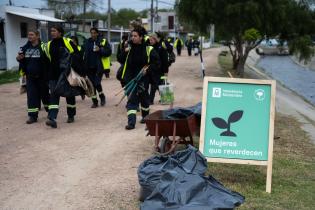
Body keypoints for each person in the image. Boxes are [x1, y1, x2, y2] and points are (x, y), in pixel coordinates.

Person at [120, 26, 160, 130]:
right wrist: (124, 50)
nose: (133, 38)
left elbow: (156, 63)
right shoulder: (129, 48)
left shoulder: (148, 49)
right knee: (131, 101)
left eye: (135, 36)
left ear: (141, 37)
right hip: (131, 79)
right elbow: (120, 59)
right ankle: (131, 123)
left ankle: (146, 119)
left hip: (143, 79)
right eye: (132, 36)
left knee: (144, 100)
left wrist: (148, 69)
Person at [45, 25, 82, 128]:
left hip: (66, 74)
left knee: (69, 95)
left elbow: (77, 55)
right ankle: (52, 118)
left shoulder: (67, 42)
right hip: (53, 74)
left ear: (60, 32)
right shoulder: (48, 45)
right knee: (54, 95)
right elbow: (48, 60)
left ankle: (71, 115)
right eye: (51, 31)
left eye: (54, 30)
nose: (52, 32)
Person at [16, 30, 50, 124]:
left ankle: (50, 112)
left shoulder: (43, 47)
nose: (29, 36)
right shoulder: (25, 48)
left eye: (32, 34)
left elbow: (48, 61)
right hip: (30, 77)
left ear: (37, 36)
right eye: (28, 35)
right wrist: (18, 59)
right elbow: (20, 59)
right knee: (31, 96)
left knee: (45, 95)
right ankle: (32, 116)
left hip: (42, 77)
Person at [83, 27, 112, 108]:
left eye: (94, 33)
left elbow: (109, 52)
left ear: (97, 33)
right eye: (91, 33)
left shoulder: (103, 41)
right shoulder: (87, 42)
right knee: (91, 85)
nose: (93, 34)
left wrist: (100, 50)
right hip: (89, 67)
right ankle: (95, 102)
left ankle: (102, 97)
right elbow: (84, 54)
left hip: (99, 67)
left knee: (97, 83)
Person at [148, 32, 169, 104]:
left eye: (151, 40)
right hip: (153, 69)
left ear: (155, 39)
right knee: (158, 84)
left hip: (160, 69)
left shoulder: (161, 48)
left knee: (154, 84)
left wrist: (166, 71)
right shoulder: (151, 47)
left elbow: (165, 60)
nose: (150, 41)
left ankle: (150, 100)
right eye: (149, 40)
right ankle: (166, 98)